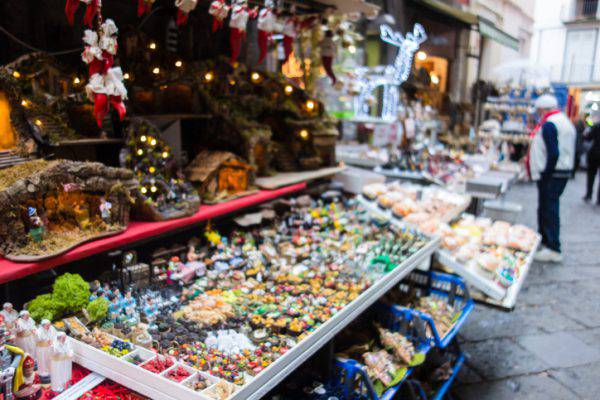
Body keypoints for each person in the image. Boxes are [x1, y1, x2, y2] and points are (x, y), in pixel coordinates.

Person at [528, 94, 576, 263]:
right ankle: (547, 241)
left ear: (543, 110)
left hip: (553, 173)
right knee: (549, 207)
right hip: (561, 171)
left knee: (549, 208)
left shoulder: (550, 124)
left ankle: (552, 246)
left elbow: (553, 152)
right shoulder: (564, 121)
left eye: (539, 111)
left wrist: (546, 173)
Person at [583, 112, 600, 203]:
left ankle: (589, 194)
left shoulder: (596, 126)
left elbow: (588, 137)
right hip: (594, 154)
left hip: (594, 154)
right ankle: (599, 198)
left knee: (591, 175)